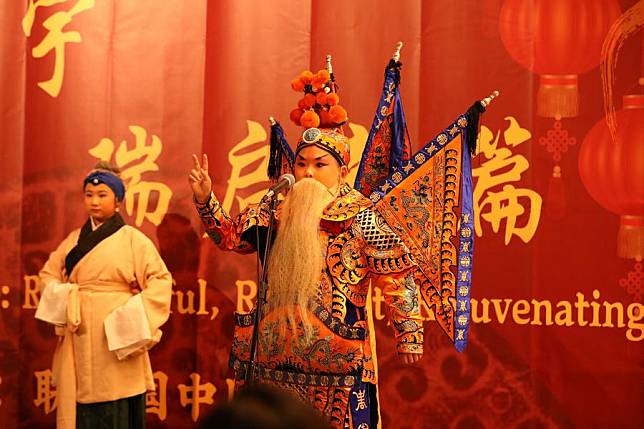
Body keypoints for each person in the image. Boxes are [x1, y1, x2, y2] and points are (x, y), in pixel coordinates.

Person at [190, 126, 424, 428]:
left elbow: (396, 274)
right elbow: (230, 237)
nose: (308, 173)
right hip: (273, 357)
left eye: (319, 164)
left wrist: (409, 333)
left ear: (342, 172)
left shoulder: (361, 217)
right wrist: (205, 199)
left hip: (338, 360)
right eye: (301, 164)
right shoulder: (274, 208)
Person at [35, 161, 173, 429]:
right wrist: (66, 298)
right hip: (79, 333)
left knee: (116, 402)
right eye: (89, 195)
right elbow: (47, 276)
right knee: (79, 405)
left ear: (118, 200)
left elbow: (160, 280)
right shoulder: (74, 240)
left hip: (114, 337)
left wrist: (129, 319)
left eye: (102, 195)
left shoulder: (133, 239)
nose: (94, 201)